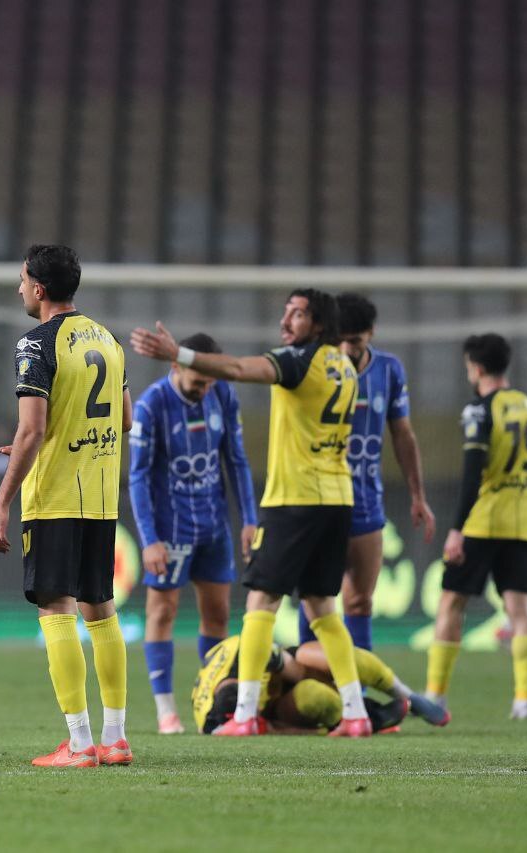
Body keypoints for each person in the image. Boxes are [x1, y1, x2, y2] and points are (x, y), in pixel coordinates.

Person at [131, 289, 373, 737]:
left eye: (297, 314)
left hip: (296, 500)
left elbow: (240, 369)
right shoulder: (345, 365)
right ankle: (356, 712)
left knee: (260, 605)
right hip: (337, 498)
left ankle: (244, 714)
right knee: (323, 609)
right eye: (286, 311)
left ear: (319, 325)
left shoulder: (298, 361)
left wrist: (178, 353)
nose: (286, 320)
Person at [0, 244, 134, 768]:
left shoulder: (36, 342)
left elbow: (32, 429)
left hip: (55, 497)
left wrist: (2, 503)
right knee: (101, 610)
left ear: (39, 287)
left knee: (55, 610)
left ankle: (78, 743)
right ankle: (116, 739)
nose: (19, 289)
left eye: (22, 280)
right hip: (101, 495)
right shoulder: (108, 340)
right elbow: (125, 420)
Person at [129, 332, 257, 735]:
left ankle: (211, 699)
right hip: (171, 530)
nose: (205, 388)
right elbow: (138, 477)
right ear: (175, 366)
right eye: (198, 381)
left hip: (214, 527)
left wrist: (249, 518)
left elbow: (237, 460)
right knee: (162, 612)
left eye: (210, 381)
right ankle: (166, 709)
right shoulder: (151, 406)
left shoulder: (223, 395)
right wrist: (149, 539)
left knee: (217, 613)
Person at [296, 293, 436, 650]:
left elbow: (403, 434)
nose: (347, 349)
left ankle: (359, 681)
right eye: (340, 340)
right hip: (319, 498)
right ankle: (310, 679)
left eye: (355, 341)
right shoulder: (314, 367)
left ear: (371, 334)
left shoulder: (388, 370)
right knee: (315, 598)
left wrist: (418, 496)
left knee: (359, 601)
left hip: (364, 500)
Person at [427, 334, 527, 719]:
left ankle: (435, 695)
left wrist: (457, 529)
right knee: (520, 608)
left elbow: (472, 472)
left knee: (452, 602)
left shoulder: (479, 410)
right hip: (523, 522)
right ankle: (524, 699)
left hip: (484, 520)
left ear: (476, 368)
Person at [191, 636, 449, 735]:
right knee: (313, 696)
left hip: (279, 672)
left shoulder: (258, 654)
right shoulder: (215, 715)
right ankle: (365, 717)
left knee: (334, 658)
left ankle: (407, 695)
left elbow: (299, 671)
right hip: (275, 711)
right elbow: (268, 729)